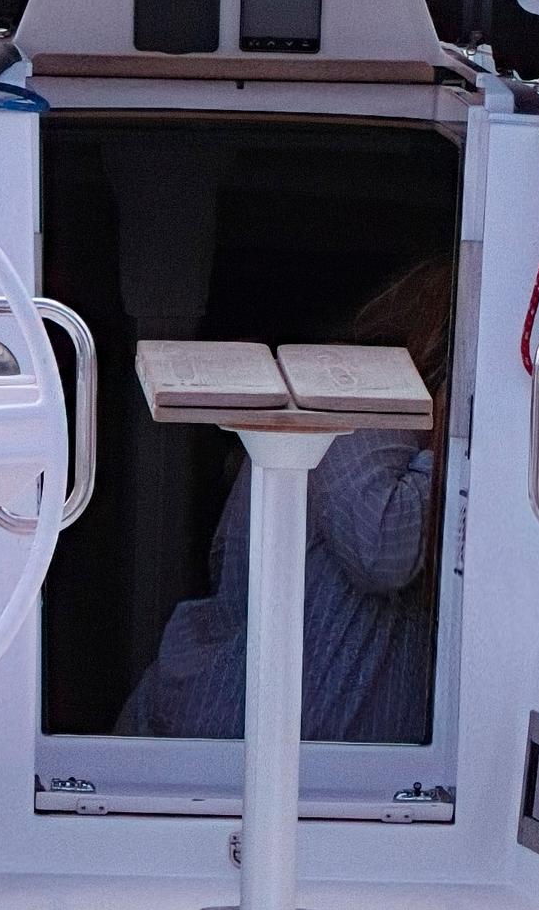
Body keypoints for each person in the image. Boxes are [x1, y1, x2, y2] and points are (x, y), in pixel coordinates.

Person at [123, 257, 450, 746]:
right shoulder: (360, 403)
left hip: (315, 756)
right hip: (225, 750)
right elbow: (383, 549)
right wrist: (452, 445)